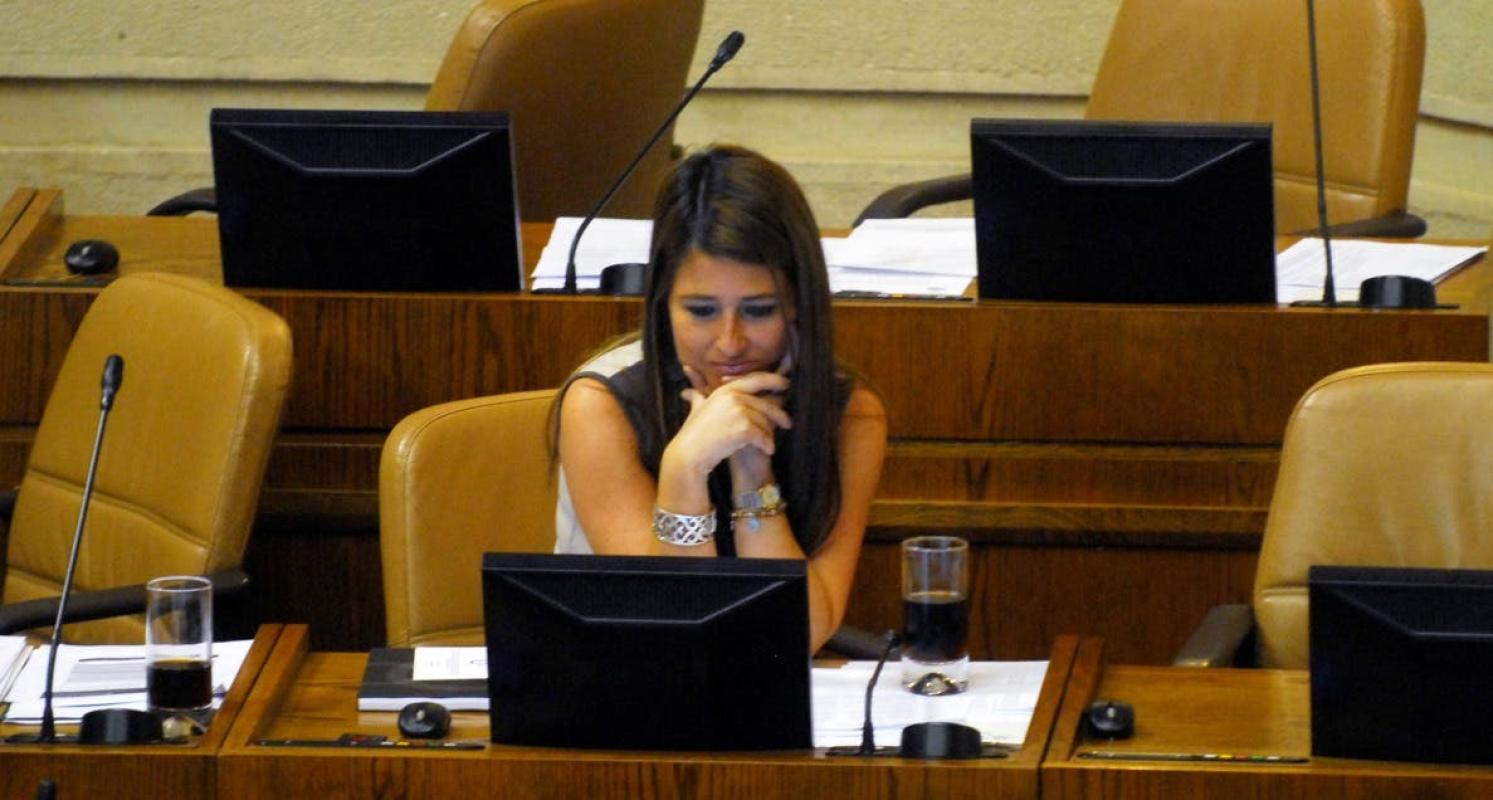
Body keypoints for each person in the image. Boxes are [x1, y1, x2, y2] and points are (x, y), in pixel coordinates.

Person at [552, 144, 887, 653]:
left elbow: (799, 633)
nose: (730, 343)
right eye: (702, 311)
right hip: (616, 674)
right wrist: (685, 469)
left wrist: (753, 470)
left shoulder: (851, 415)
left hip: (768, 683)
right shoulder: (600, 405)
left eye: (759, 310)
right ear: (662, 302)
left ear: (797, 303)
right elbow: (668, 628)